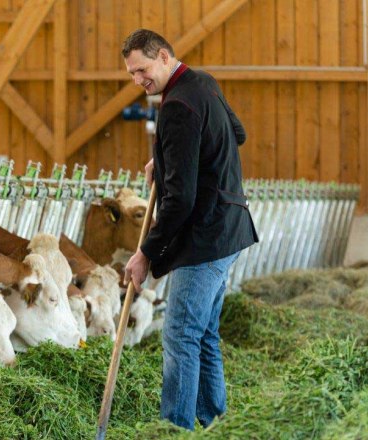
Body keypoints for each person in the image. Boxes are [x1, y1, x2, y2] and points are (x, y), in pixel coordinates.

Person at [121, 29, 258, 430]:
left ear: (163, 56)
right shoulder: (203, 83)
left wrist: (146, 252)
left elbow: (179, 200)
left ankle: (174, 428)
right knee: (204, 334)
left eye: (142, 69)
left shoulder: (177, 106)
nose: (137, 81)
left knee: (180, 333)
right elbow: (237, 134)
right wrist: (166, 161)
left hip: (206, 236)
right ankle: (214, 419)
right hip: (230, 226)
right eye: (131, 73)